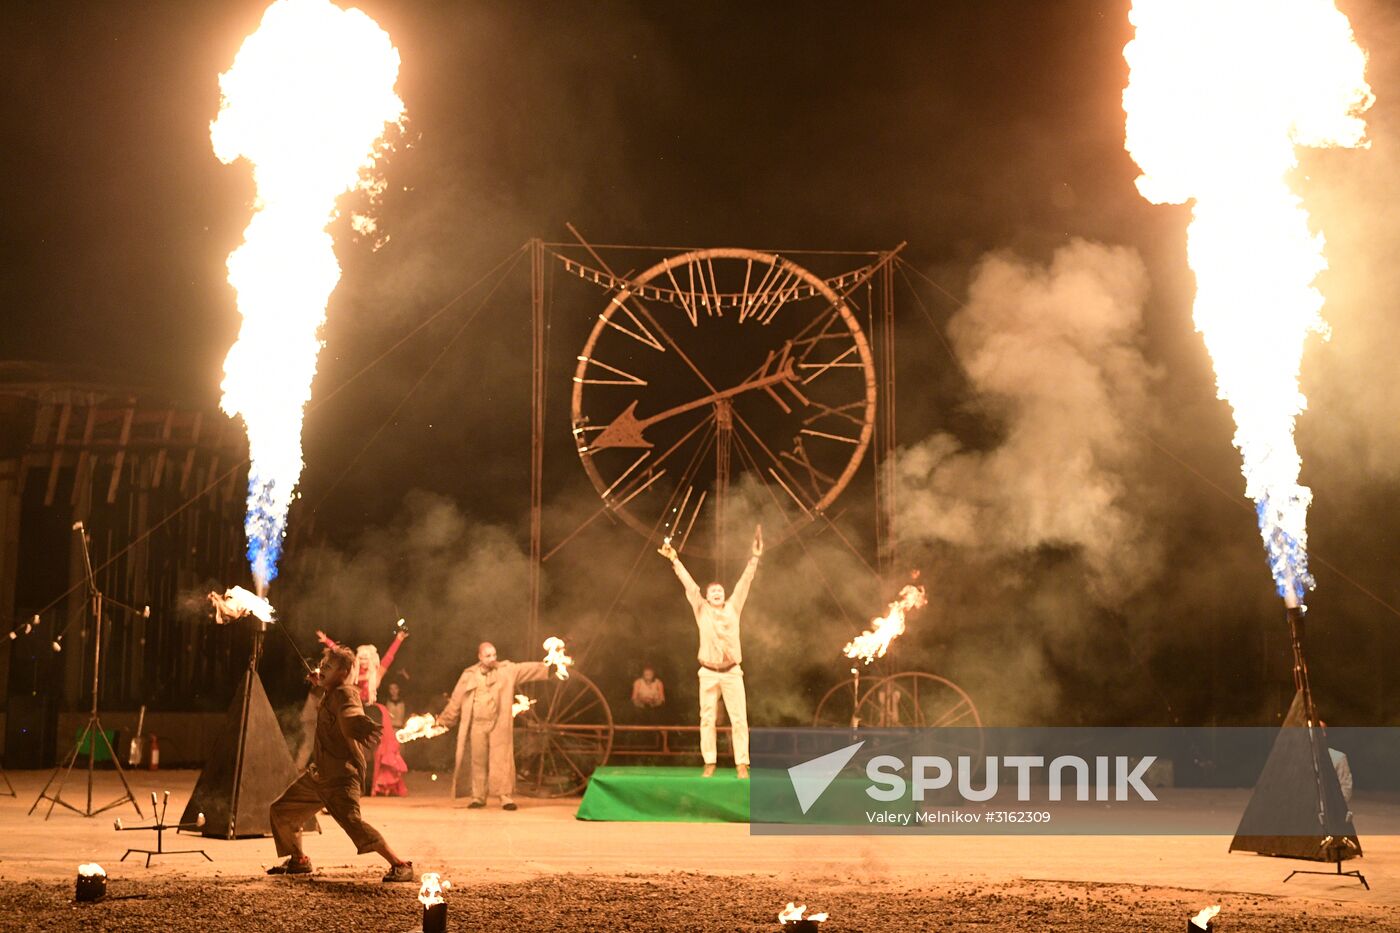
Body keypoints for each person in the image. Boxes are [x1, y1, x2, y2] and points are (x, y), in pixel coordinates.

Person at [267, 645, 414, 882]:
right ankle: (299, 860)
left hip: (340, 778)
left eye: (329, 667)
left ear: (344, 673)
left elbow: (349, 712)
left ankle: (400, 864)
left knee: (353, 823)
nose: (322, 669)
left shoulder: (345, 693)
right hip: (319, 776)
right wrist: (321, 682)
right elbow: (334, 699)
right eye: (322, 665)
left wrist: (357, 723)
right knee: (283, 810)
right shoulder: (332, 691)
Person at [659, 524, 762, 779]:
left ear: (724, 595)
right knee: (707, 719)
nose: (717, 593)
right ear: (707, 596)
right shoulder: (701, 608)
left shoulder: (733, 608)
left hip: (731, 672)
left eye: (720, 591)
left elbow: (744, 583)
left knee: (739, 719)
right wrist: (675, 559)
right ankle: (710, 762)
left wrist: (755, 558)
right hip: (707, 672)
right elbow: (689, 585)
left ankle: (742, 764)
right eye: (713, 592)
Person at [436, 642, 550, 809]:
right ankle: (478, 797)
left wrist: (550, 667)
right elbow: (456, 699)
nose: (492, 659)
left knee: (501, 759)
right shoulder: (469, 675)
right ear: (480, 657)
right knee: (478, 760)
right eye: (488, 656)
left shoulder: (506, 670)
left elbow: (526, 669)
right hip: (477, 724)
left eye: (494, 655)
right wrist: (445, 720)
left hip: (499, 723)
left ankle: (505, 797)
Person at [318, 627, 409, 797]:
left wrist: (399, 639)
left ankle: (370, 786)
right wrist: (327, 642)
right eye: (361, 658)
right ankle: (352, 784)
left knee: (373, 751)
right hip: (354, 711)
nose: (364, 661)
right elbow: (341, 654)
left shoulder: (377, 674)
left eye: (367, 658)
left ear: (372, 659)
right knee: (351, 748)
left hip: (371, 712)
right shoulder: (351, 673)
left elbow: (389, 657)